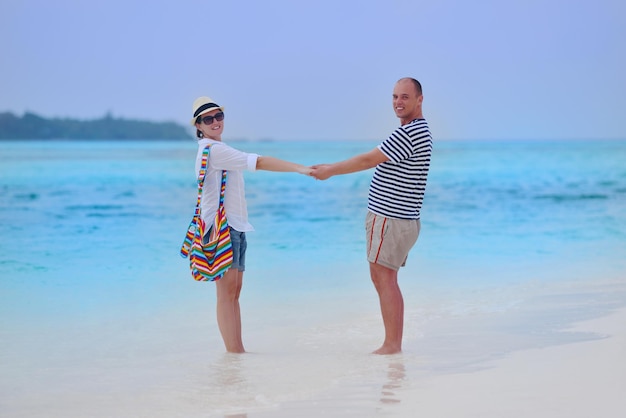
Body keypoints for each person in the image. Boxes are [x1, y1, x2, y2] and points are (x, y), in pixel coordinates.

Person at [310, 78, 432, 354]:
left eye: (405, 97)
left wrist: (330, 170)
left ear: (419, 99)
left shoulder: (409, 133)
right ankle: (392, 343)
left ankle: (391, 345)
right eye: (394, 97)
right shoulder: (419, 131)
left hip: (391, 219)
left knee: (384, 279)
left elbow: (368, 160)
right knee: (386, 278)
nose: (398, 102)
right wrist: (331, 166)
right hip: (403, 219)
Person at [190, 96, 311, 353]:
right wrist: (299, 168)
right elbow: (259, 162)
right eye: (208, 119)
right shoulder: (215, 150)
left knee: (233, 292)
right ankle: (234, 352)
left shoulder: (215, 149)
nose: (215, 122)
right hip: (222, 230)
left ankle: (237, 352)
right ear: (198, 126)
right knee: (226, 294)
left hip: (234, 226)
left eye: (218, 116)